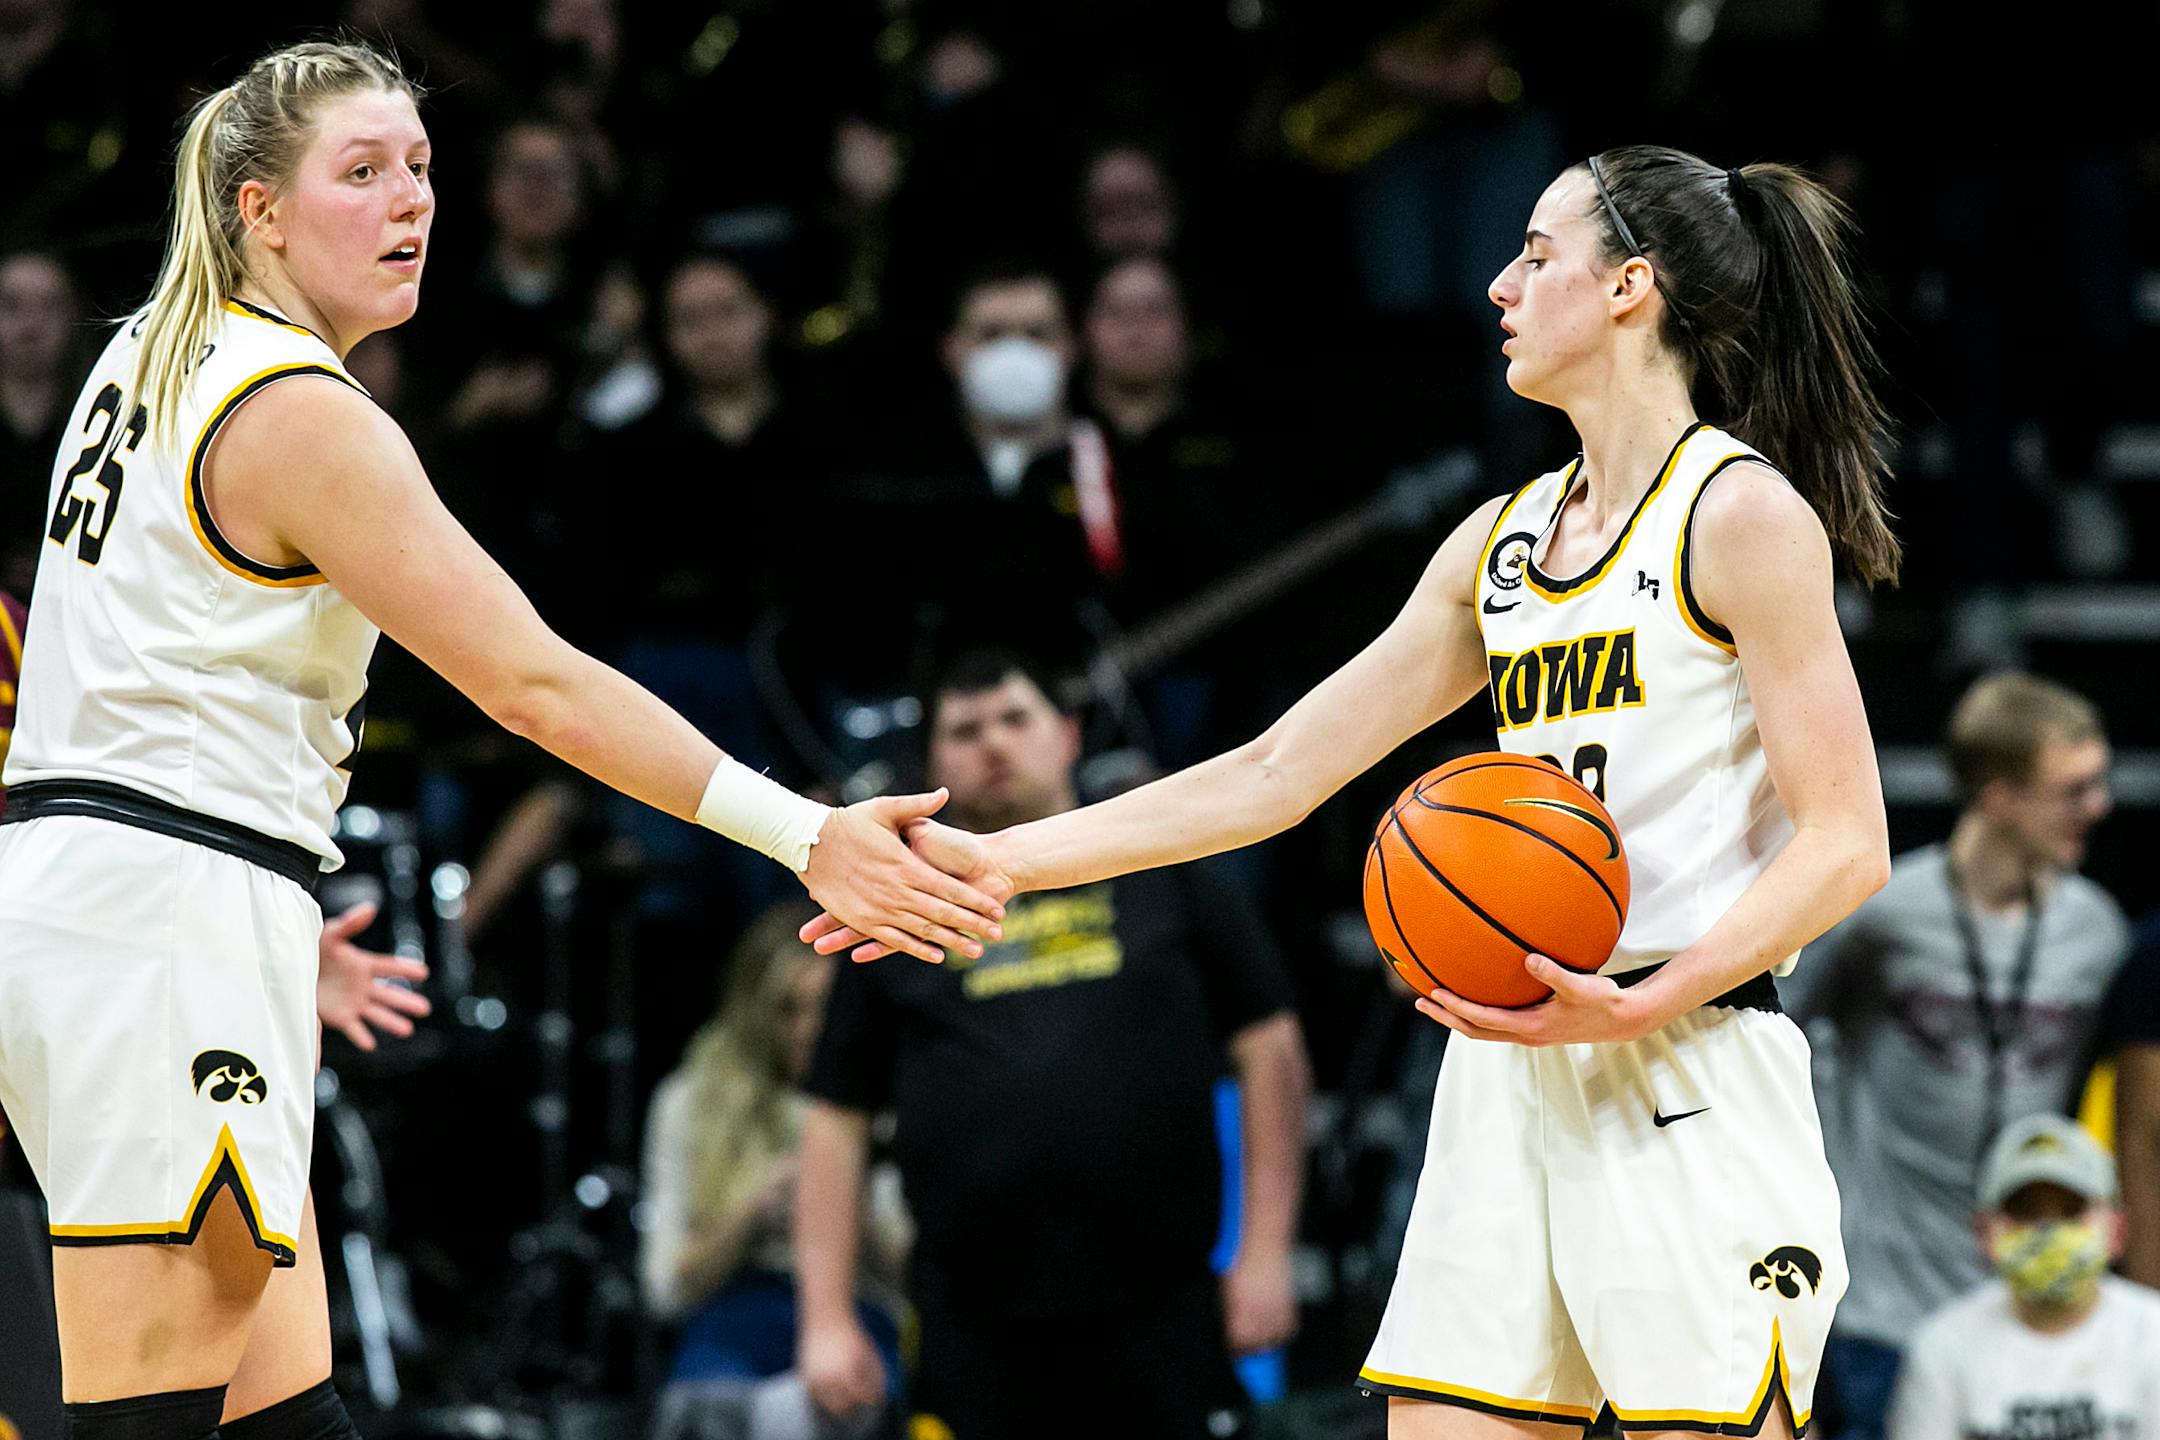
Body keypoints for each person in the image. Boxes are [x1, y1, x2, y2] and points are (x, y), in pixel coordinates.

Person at [807, 145, 1903, 1437]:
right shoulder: (1493, 548)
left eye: (1538, 254)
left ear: (1629, 289)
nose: (1499, 285)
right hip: (1507, 1068)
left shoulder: (1740, 516)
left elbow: (1849, 844)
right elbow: (1277, 771)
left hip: (1687, 1055)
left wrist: (1637, 1003)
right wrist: (996, 862)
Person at [0, 40, 1005, 1440]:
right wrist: (808, 833)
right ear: (260, 211)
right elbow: (536, 687)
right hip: (160, 925)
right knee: (147, 1425)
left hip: (108, 906)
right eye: (361, 173)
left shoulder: (141, 360)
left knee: (282, 1416)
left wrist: (261, 925)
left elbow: (115, 693)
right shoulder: (298, 410)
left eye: (419, 167)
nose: (411, 200)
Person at [795, 649, 1311, 1440]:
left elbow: (1271, 1046)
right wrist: (825, 1316)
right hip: (971, 1317)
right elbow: (835, 1116)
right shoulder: (898, 905)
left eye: (1015, 718)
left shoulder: (1163, 861)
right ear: (931, 762)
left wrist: (1267, 1251)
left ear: (1068, 735)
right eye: (964, 730)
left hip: (1164, 1300)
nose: (994, 744)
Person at [1786, 673, 2127, 1440]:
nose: (2099, 807)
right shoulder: (1880, 914)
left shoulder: (2095, 930)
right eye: (2073, 789)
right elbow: (1775, 1041)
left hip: (2030, 1297)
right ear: (2000, 796)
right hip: (1882, 1300)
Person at [640, 904, 909, 1440]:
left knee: (842, 1402)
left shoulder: (894, 1098)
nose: (812, 1031)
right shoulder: (690, 1101)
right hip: (736, 1309)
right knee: (711, 1405)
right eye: (791, 1010)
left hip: (864, 1305)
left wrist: (834, 1200)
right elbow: (664, 1289)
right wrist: (756, 1213)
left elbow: (917, 1280)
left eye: (827, 1009)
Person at [1885, 1113, 2160, 1440]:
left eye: (2071, 1212)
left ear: (2116, 1229)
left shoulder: (2152, 1336)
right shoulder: (1940, 1348)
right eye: (2025, 1213)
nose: (2047, 1231)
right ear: (1983, 1232)